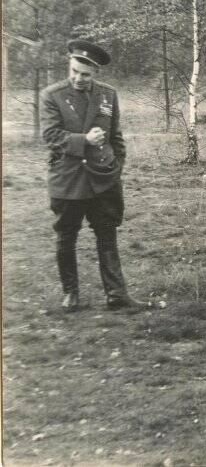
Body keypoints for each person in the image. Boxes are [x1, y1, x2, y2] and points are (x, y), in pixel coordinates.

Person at [40, 39, 147, 312]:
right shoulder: (52, 95)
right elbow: (51, 136)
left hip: (103, 177)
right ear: (70, 66)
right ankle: (71, 294)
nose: (78, 78)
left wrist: (117, 166)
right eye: (74, 71)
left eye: (85, 74)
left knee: (107, 234)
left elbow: (115, 135)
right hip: (69, 179)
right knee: (67, 236)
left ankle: (117, 295)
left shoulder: (108, 95)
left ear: (96, 72)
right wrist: (84, 139)